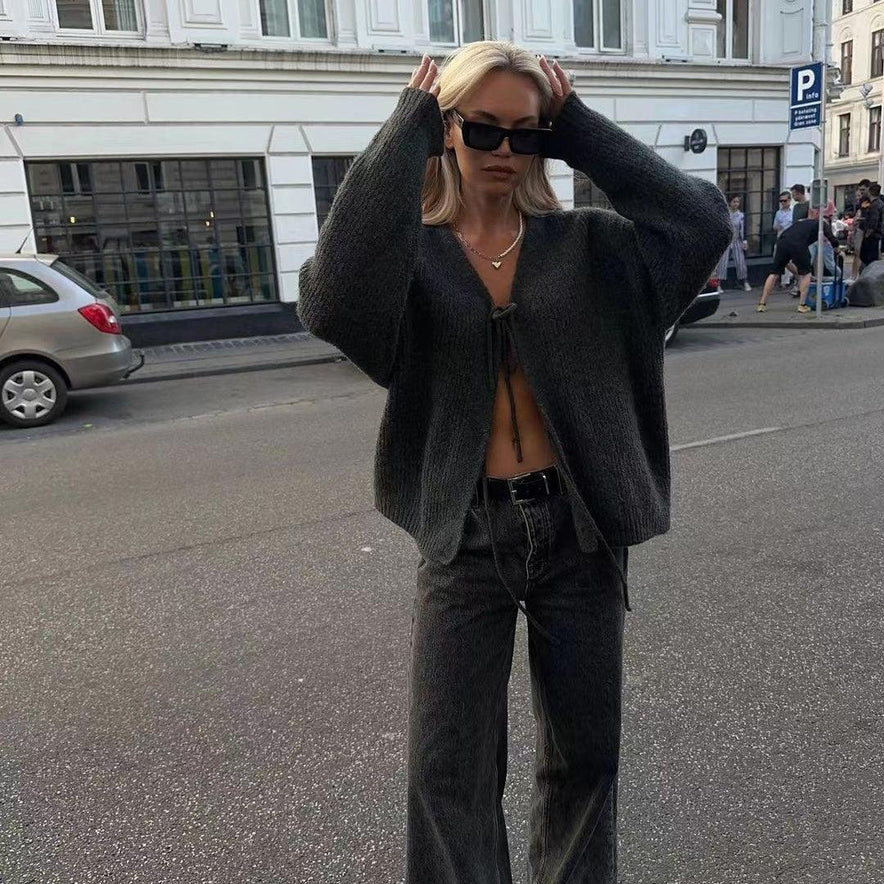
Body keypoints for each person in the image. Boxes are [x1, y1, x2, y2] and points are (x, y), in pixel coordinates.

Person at [297, 43, 731, 882]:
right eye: (483, 129)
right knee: (446, 772)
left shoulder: (592, 248)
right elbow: (331, 299)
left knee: (584, 760)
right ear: (447, 127)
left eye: (527, 134)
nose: (505, 151)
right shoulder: (415, 259)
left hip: (580, 529)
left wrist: (581, 129)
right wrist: (406, 133)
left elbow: (699, 225)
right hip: (465, 534)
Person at [757, 216, 841, 313]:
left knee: (774, 273)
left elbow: (788, 263)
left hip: (782, 241)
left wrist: (797, 273)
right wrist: (838, 250)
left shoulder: (803, 222)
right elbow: (832, 238)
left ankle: (762, 304)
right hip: (799, 244)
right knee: (806, 274)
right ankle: (802, 305)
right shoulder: (823, 224)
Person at [715, 194, 752, 292]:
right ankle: (718, 284)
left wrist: (745, 241)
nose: (736, 204)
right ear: (729, 203)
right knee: (722, 263)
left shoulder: (741, 215)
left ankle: (745, 282)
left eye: (737, 202)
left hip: (736, 240)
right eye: (734, 202)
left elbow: (744, 229)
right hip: (727, 241)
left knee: (740, 262)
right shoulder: (725, 214)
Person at [858, 183, 883, 270]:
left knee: (868, 258)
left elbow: (873, 222)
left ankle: (866, 273)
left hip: (872, 236)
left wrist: (867, 234)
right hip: (876, 235)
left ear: (870, 192)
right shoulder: (880, 203)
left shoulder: (874, 205)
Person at [773, 190, 794, 288]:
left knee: (789, 260)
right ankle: (783, 278)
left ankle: (786, 281)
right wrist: (779, 226)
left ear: (789, 200)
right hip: (781, 238)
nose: (782, 203)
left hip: (791, 238)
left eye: (784, 201)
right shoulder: (778, 213)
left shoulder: (794, 211)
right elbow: (774, 226)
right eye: (781, 201)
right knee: (778, 258)